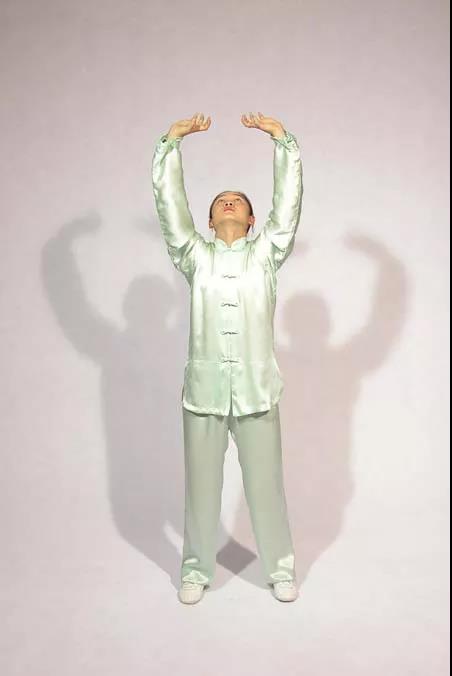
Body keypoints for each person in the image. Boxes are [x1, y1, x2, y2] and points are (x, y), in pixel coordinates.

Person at [151, 112, 303, 604]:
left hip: (257, 390)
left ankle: (280, 568)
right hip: (205, 394)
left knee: (266, 487)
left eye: (238, 200)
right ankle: (196, 570)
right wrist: (171, 145)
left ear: (252, 220)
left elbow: (288, 209)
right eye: (220, 201)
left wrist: (282, 143)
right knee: (201, 490)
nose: (229, 201)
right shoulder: (195, 256)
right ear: (210, 220)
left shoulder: (266, 255)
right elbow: (172, 212)